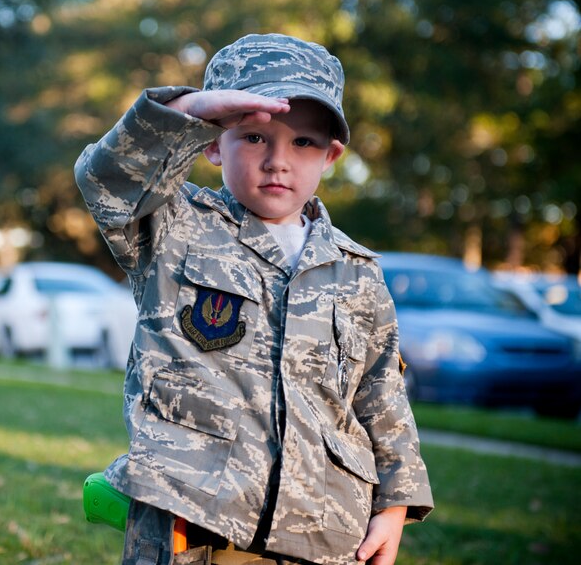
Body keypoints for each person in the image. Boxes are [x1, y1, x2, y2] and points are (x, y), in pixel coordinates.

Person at [74, 33, 434, 565]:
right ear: (213, 145)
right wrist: (189, 111)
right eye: (254, 138)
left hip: (321, 531)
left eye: (303, 142)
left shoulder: (357, 271)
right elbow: (107, 179)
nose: (278, 162)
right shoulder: (176, 227)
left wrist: (395, 505)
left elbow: (382, 396)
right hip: (191, 517)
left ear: (331, 155)